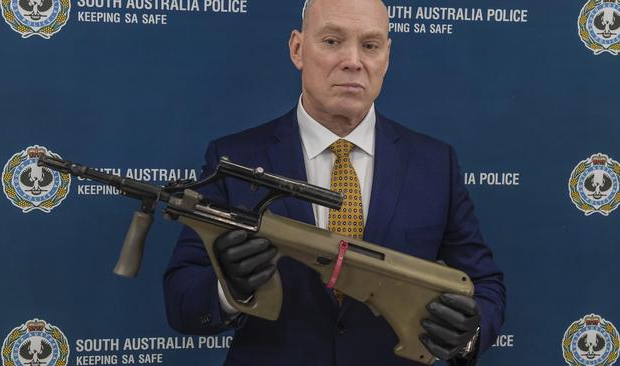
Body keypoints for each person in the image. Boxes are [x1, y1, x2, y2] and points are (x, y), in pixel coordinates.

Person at [163, 0, 505, 365]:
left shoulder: (435, 163)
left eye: (370, 46)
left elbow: (484, 284)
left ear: (386, 57)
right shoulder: (235, 159)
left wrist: (471, 331)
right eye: (332, 41)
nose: (353, 61)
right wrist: (228, 290)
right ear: (297, 48)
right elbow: (182, 301)